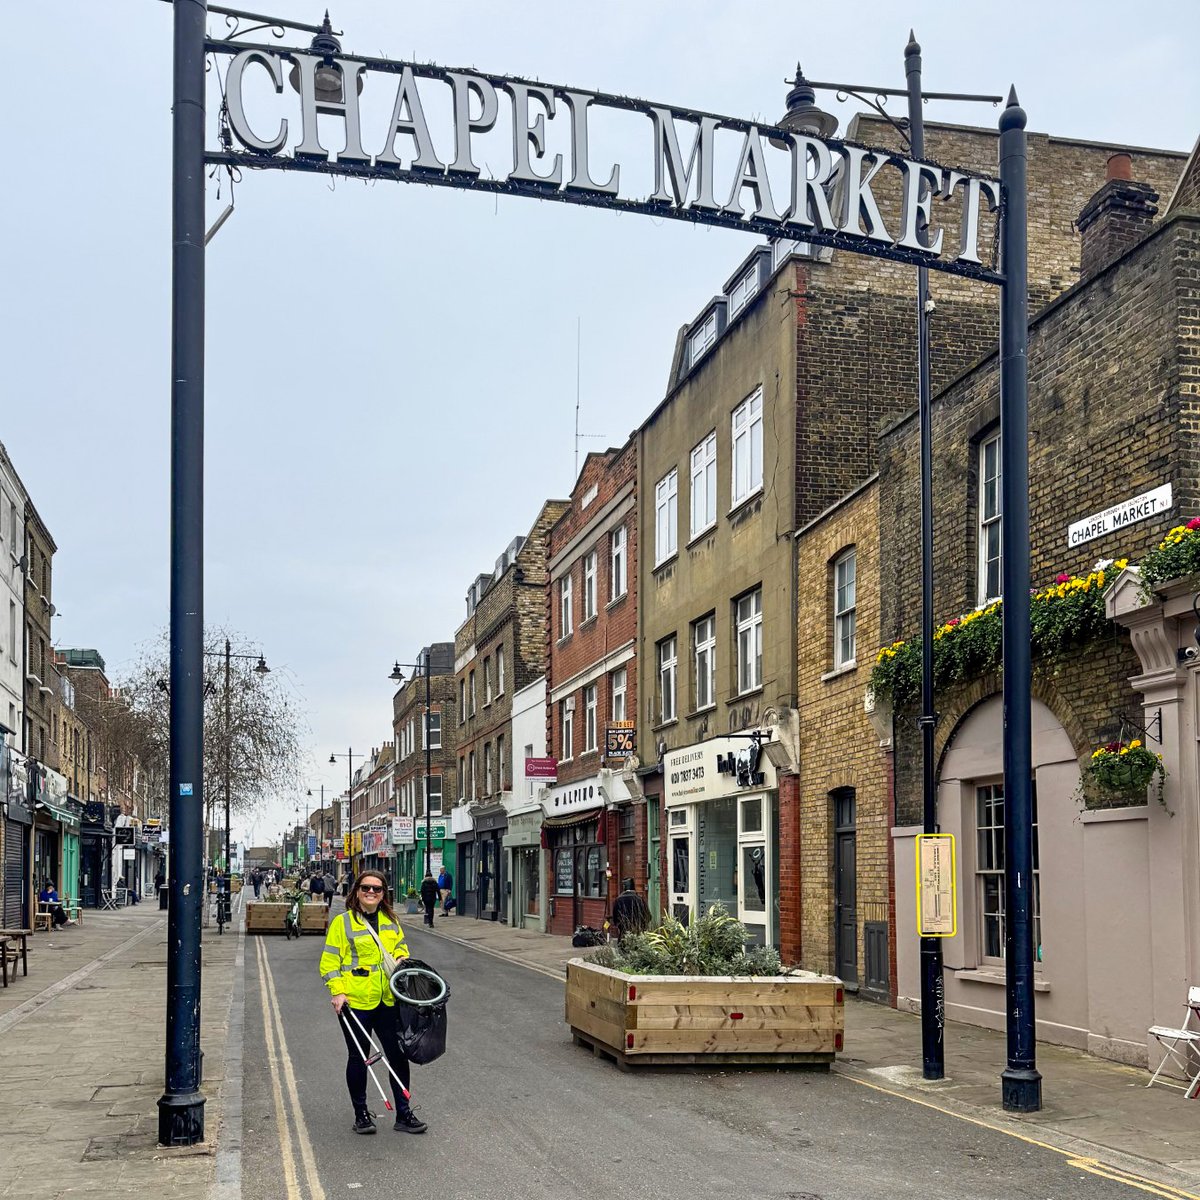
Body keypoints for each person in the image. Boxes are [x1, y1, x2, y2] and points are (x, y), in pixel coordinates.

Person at [319, 871, 426, 1136]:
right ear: (357, 891)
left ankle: (404, 1114)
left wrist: (400, 957)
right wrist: (337, 992)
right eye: (366, 887)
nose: (371, 892)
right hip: (355, 1002)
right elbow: (329, 962)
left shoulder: (391, 920)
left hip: (388, 999)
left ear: (383, 894)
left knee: (398, 1056)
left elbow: (401, 947)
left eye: (377, 889)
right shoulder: (342, 923)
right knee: (359, 1057)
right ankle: (361, 1115)